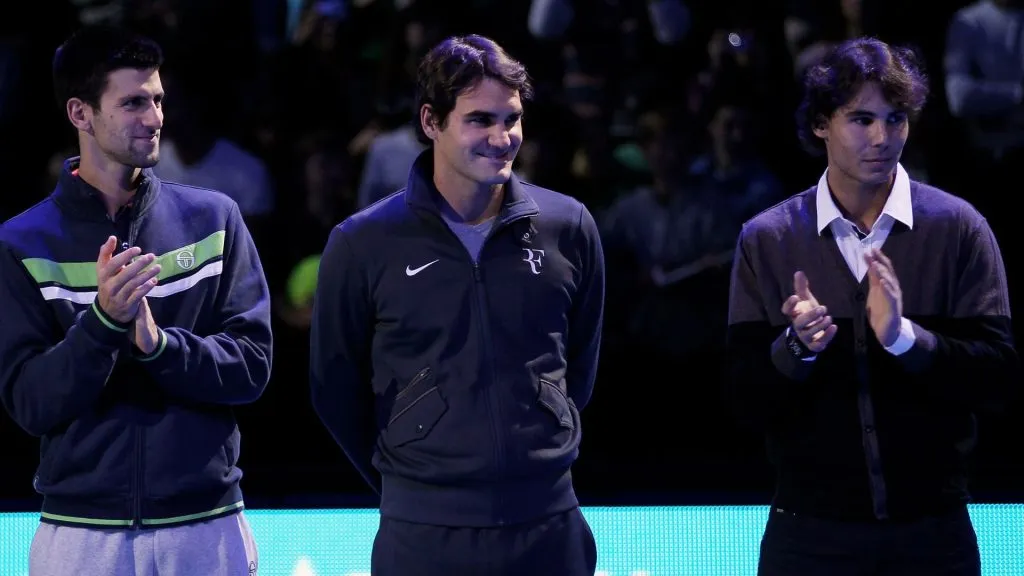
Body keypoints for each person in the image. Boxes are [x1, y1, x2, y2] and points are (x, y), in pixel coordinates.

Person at [310, 34, 604, 575]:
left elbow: (578, 363)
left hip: (548, 522)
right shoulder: (363, 242)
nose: (502, 138)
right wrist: (412, 471)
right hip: (422, 533)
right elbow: (333, 387)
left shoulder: (569, 226)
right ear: (430, 121)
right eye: (480, 120)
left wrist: (545, 425)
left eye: (512, 119)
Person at [725, 37, 1017, 576]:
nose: (883, 138)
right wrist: (797, 348)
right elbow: (743, 402)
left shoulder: (958, 228)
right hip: (809, 535)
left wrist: (905, 338)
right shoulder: (766, 240)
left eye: (896, 119)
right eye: (861, 119)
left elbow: (999, 381)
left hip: (933, 534)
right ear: (820, 125)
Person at [0, 26, 272, 575]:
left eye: (157, 100)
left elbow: (252, 368)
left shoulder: (215, 219)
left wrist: (158, 344)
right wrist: (103, 324)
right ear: (81, 113)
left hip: (205, 524)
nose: (155, 118)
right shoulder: (22, 244)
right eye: (132, 103)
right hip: (80, 535)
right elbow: (29, 402)